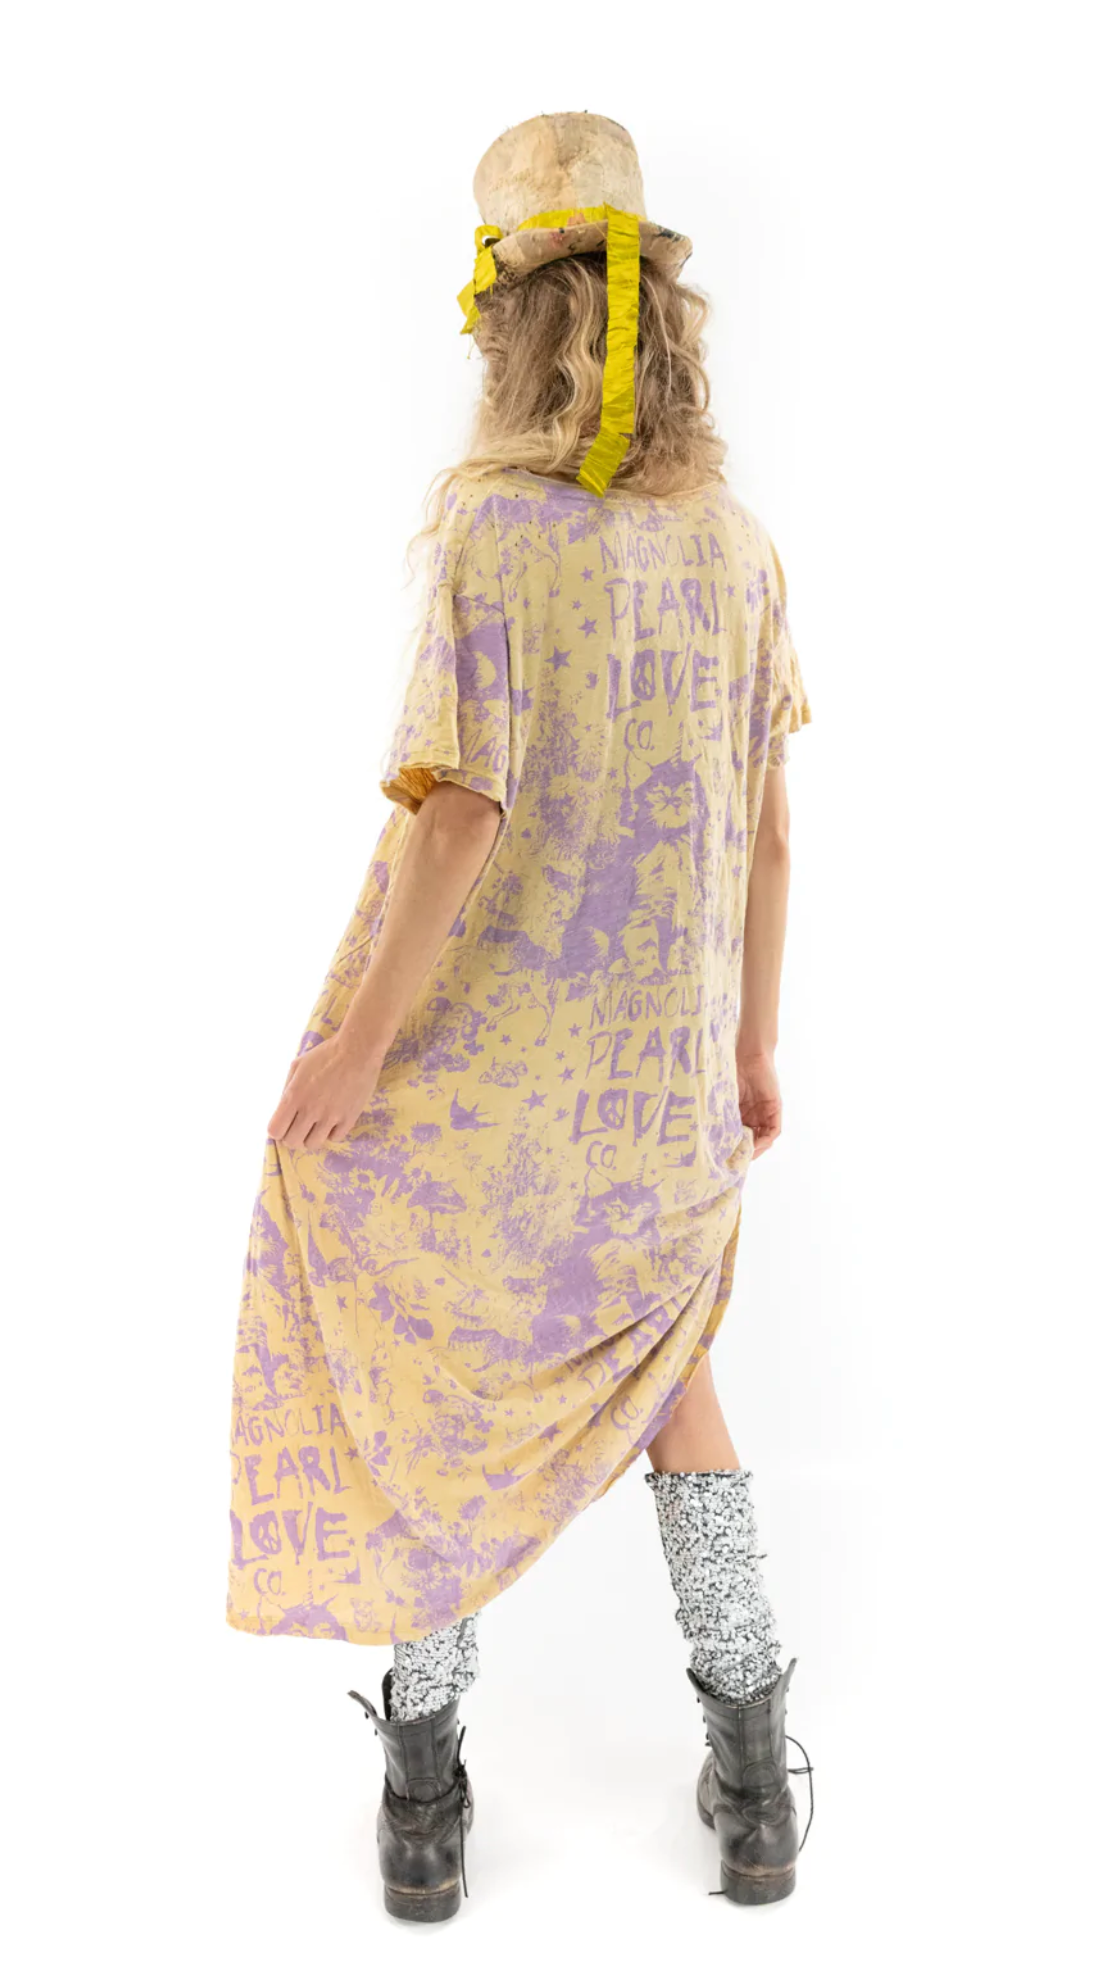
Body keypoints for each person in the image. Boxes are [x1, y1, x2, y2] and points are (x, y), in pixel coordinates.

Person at [226, 110, 812, 1920]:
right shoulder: (735, 545)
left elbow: (460, 815)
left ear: (515, 327)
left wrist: (357, 1051)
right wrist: (750, 1049)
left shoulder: (494, 532)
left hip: (488, 1087)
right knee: (677, 1385)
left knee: (421, 1381)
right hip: (656, 1091)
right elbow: (771, 831)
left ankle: (422, 1791)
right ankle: (755, 1778)